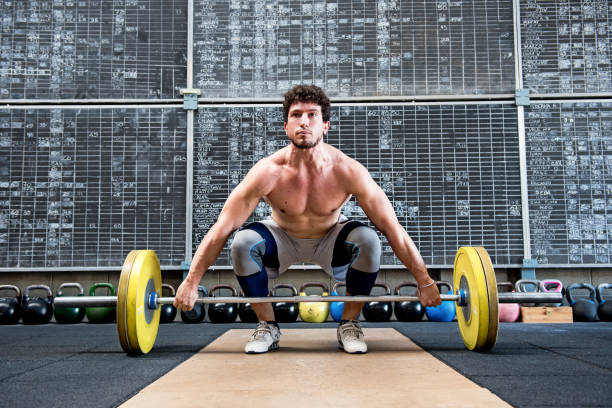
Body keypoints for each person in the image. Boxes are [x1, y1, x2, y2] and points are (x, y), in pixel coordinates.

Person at [174, 84, 441, 354]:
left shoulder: (347, 170)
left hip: (330, 238)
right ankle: (267, 326)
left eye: (312, 115)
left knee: (369, 240)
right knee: (242, 242)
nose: (304, 122)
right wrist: (192, 281)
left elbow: (392, 228)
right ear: (285, 126)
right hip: (281, 237)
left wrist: (425, 282)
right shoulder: (267, 172)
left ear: (325, 126)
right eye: (296, 115)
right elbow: (222, 228)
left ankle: (349, 324)